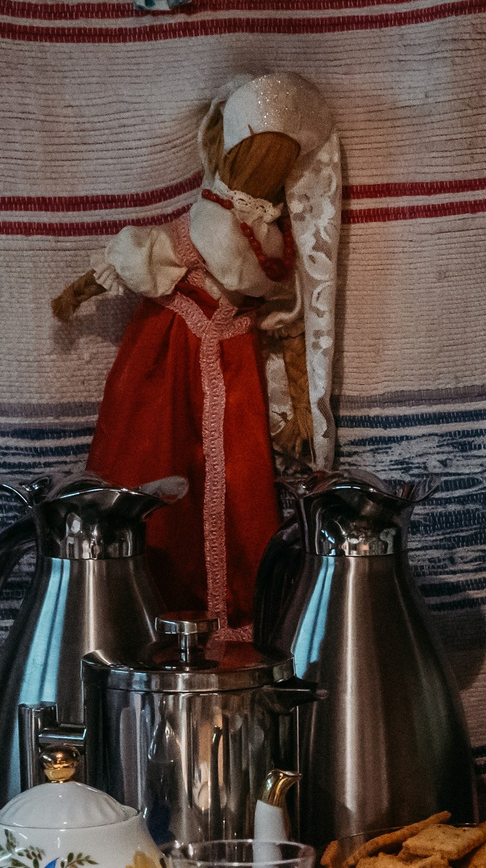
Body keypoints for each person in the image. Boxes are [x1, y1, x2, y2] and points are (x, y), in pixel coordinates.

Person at [51, 74, 343, 636]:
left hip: (224, 357)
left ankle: (229, 612)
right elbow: (141, 257)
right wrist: (82, 290)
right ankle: (173, 607)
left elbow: (268, 289)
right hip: (177, 357)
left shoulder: (255, 230)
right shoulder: (221, 227)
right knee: (165, 466)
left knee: (232, 479)